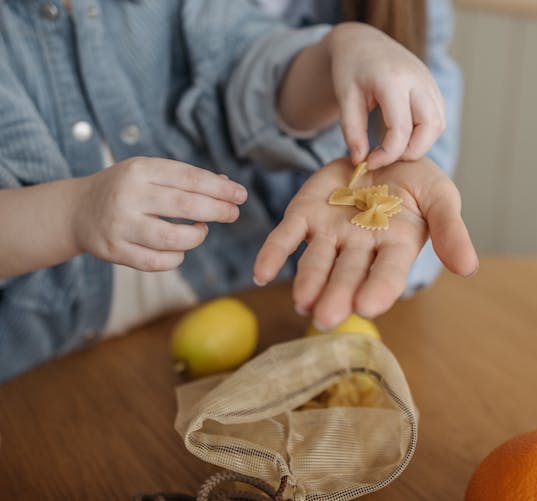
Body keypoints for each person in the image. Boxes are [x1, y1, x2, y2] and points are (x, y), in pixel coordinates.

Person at [0, 0, 477, 381]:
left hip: (229, 329)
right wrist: (71, 214)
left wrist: (341, 49)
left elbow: (249, 67)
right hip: (46, 375)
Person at [261, 0, 464, 297]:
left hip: (347, 291)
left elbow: (431, 126)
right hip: (204, 278)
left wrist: (412, 178)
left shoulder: (424, 10)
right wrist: (336, 50)